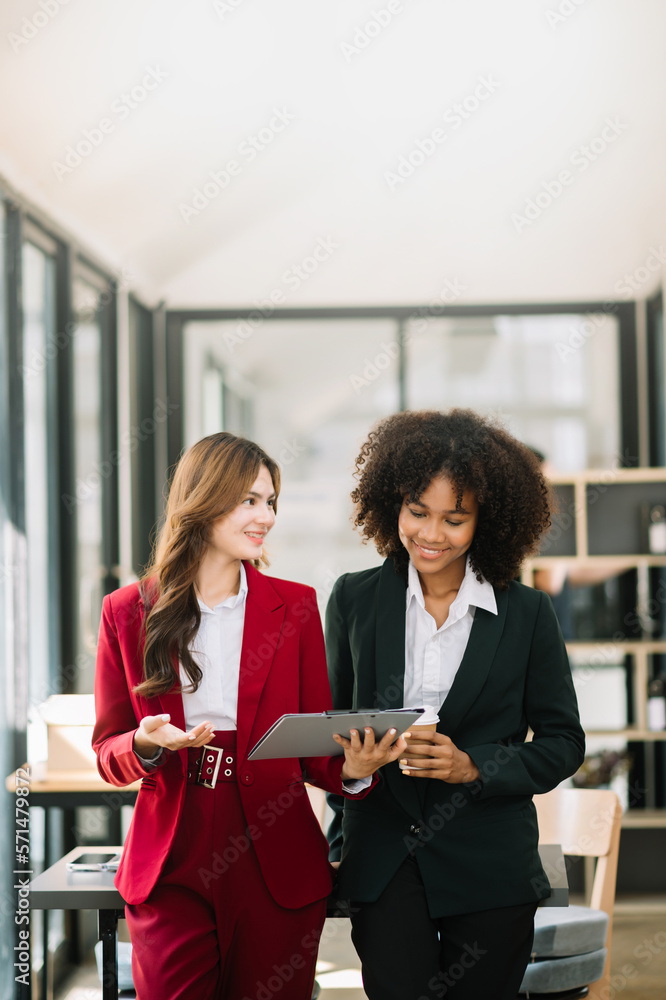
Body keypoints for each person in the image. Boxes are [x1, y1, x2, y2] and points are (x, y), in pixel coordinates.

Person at [92, 431, 406, 1000]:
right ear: (204, 500)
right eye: (250, 500)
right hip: (171, 857)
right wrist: (143, 743)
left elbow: (314, 751)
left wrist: (356, 767)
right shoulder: (127, 611)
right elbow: (107, 753)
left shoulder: (297, 606)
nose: (266, 516)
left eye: (271, 502)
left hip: (275, 852)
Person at [326, 409, 586, 1000]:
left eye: (455, 518)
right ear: (392, 504)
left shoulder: (526, 613)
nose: (431, 534)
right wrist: (353, 772)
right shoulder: (353, 599)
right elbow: (329, 728)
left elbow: (564, 742)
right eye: (417, 512)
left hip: (490, 859)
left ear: (485, 523)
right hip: (384, 856)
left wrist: (474, 765)